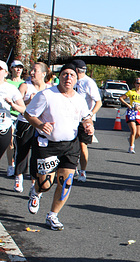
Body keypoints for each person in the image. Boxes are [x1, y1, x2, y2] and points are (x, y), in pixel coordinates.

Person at [24, 62, 94, 231]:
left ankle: (53, 216)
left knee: (66, 182)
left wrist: (88, 124)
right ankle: (36, 191)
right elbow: (28, 114)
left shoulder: (79, 99)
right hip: (47, 145)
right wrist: (40, 125)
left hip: (70, 145)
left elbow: (86, 117)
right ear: (59, 77)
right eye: (65, 74)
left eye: (72, 75)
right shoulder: (47, 95)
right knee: (46, 184)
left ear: (77, 80)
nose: (68, 78)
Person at [13, 62, 53, 193]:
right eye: (31, 70)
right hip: (25, 123)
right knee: (22, 151)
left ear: (43, 74)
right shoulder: (25, 86)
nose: (31, 72)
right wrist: (28, 101)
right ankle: (19, 178)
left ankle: (33, 183)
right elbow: (15, 104)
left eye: (34, 71)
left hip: (41, 125)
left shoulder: (50, 88)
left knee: (37, 155)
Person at [71, 59, 102, 182]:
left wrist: (89, 116)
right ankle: (72, 168)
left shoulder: (88, 82)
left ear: (77, 70)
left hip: (84, 120)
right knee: (70, 145)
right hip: (71, 118)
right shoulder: (71, 81)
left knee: (82, 145)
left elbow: (98, 102)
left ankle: (82, 171)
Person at [0, 60, 26, 173]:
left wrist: (12, 104)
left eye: (0, 69)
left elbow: (23, 109)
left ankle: (11, 165)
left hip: (4, 127)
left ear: (6, 72)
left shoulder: (10, 88)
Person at [119, 77, 140, 154]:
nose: (139, 85)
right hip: (131, 113)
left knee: (138, 133)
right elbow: (121, 98)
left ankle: (130, 139)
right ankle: (131, 147)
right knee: (133, 131)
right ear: (135, 84)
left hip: (139, 113)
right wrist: (128, 105)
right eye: (138, 83)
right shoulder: (131, 92)